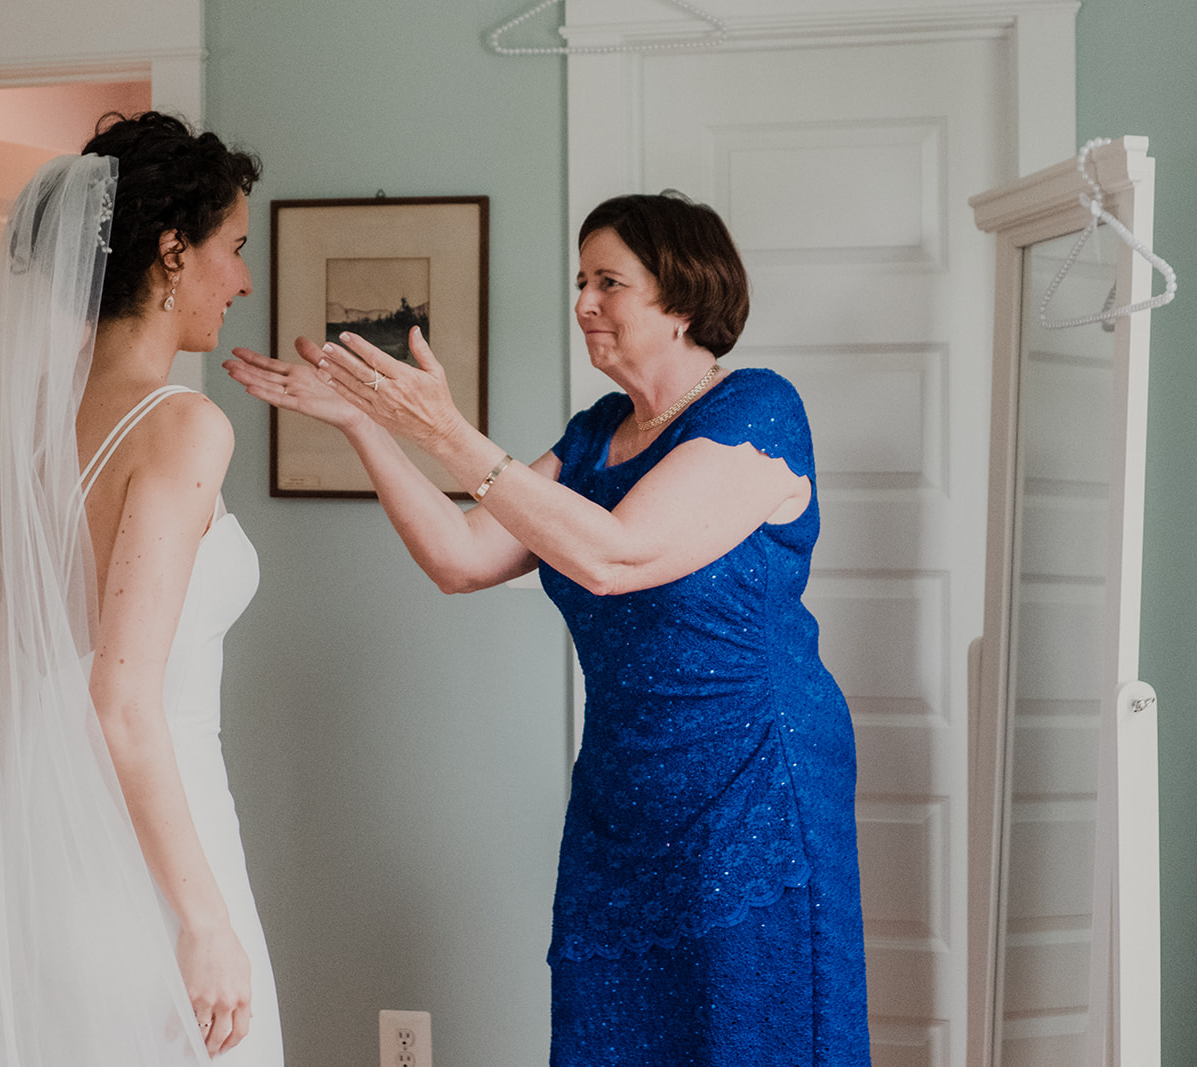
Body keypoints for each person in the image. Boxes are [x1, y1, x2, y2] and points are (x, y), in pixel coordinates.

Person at [225, 191, 870, 1064]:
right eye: (580, 280)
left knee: (747, 1030)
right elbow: (462, 555)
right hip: (624, 786)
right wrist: (366, 424)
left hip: (752, 781)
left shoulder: (758, 410)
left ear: (682, 300)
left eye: (610, 282)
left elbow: (618, 556)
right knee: (617, 1030)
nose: (582, 303)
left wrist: (450, 435)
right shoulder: (598, 433)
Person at [0, 111, 283, 1065]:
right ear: (172, 253)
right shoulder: (182, 427)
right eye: (233, 248)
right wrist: (201, 922)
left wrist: (41, 813)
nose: (242, 278)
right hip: (160, 873)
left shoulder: (29, 430)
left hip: (55, 874)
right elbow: (121, 700)